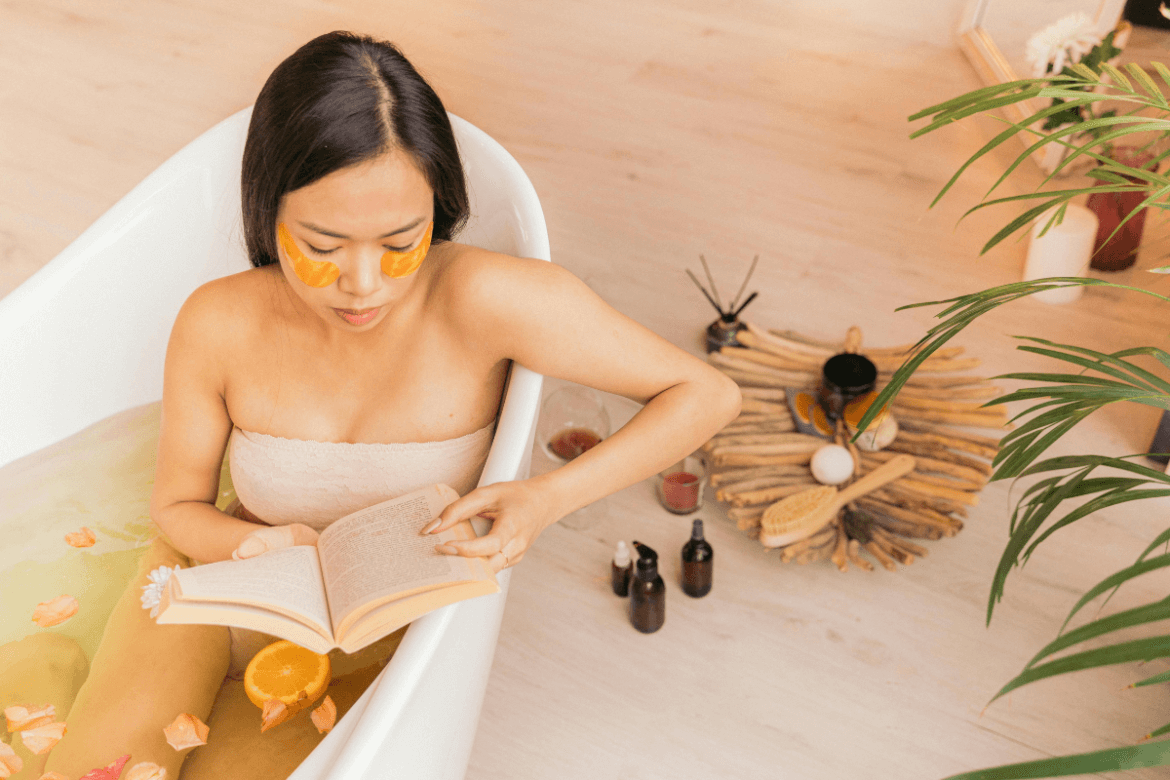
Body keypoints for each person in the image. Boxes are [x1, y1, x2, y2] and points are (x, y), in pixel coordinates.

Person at [35, 29, 741, 778]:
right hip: (224, 586)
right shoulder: (219, 321)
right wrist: (255, 548)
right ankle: (43, 664)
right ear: (268, 211)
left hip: (389, 615)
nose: (364, 283)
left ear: (438, 207)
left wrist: (543, 498)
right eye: (324, 245)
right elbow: (177, 510)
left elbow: (704, 393)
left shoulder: (486, 299)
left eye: (400, 241)